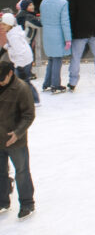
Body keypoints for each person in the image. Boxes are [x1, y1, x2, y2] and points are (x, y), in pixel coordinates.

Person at [0, 59, 36, 219]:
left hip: (16, 141)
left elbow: (29, 115)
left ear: (10, 73)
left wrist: (17, 133)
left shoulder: (21, 89)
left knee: (21, 172)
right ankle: (2, 201)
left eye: (3, 79)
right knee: (0, 173)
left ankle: (27, 203)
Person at [38, 0, 70, 94]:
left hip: (47, 34)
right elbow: (65, 22)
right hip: (58, 35)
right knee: (57, 60)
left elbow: (42, 19)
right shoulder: (63, 3)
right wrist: (68, 39)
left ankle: (47, 83)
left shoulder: (44, 1)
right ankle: (55, 84)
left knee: (51, 58)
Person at [1, 14, 37, 105]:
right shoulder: (12, 32)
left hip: (23, 62)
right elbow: (11, 45)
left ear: (9, 24)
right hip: (23, 60)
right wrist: (3, 49)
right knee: (23, 82)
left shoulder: (14, 36)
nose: (2, 26)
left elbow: (19, 51)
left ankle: (34, 100)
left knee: (24, 82)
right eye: (2, 24)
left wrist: (20, 66)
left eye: (4, 24)